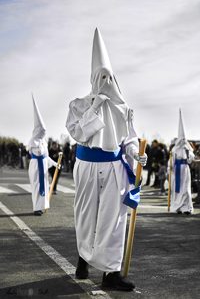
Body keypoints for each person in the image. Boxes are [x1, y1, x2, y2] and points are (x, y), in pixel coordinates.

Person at [66, 28, 147, 291]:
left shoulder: (123, 109)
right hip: (87, 166)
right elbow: (78, 133)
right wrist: (95, 106)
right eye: (101, 77)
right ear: (92, 78)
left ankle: (111, 272)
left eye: (109, 77)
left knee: (114, 220)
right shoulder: (78, 105)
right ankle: (83, 258)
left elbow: (130, 139)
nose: (105, 80)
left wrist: (136, 153)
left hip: (114, 167)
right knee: (86, 215)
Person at [28, 96, 58, 216]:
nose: (43, 133)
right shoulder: (33, 143)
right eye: (41, 131)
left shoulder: (44, 143)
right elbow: (39, 156)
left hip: (43, 167)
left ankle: (43, 205)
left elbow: (46, 158)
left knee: (45, 186)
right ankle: (37, 208)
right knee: (37, 186)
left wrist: (56, 164)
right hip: (36, 168)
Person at [169, 109, 194, 215]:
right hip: (177, 170)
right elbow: (171, 162)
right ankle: (177, 206)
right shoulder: (174, 150)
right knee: (178, 189)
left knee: (186, 188)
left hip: (185, 169)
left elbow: (191, 159)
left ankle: (186, 207)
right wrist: (170, 169)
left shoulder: (187, 149)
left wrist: (189, 153)